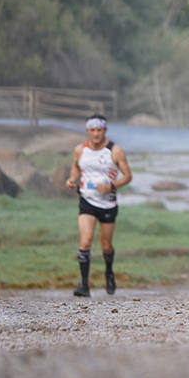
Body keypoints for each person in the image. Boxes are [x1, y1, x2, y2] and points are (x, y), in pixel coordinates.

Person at [64, 114, 133, 297]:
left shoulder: (115, 151)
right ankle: (84, 285)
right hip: (87, 200)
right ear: (87, 131)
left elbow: (127, 176)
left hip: (108, 204)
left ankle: (109, 273)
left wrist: (111, 186)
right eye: (92, 130)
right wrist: (72, 179)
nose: (96, 134)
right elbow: (76, 167)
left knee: (106, 246)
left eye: (99, 130)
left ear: (105, 131)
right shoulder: (80, 150)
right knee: (85, 241)